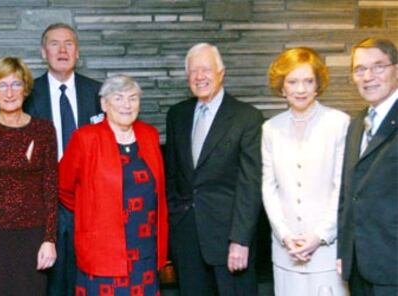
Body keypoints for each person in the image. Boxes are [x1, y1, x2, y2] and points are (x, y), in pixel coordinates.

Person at [165, 43, 263, 295]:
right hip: (187, 241)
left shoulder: (247, 117)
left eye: (206, 69)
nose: (200, 77)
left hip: (229, 241)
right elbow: (173, 176)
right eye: (193, 71)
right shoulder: (177, 115)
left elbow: (250, 185)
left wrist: (240, 240)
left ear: (221, 73)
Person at [59, 75, 168, 295]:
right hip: (101, 249)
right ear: (104, 104)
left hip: (145, 247)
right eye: (118, 98)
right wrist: (89, 213)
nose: (126, 105)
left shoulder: (149, 135)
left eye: (133, 98)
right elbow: (64, 187)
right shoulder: (85, 138)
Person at [262, 47, 350, 296]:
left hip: (326, 253)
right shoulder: (271, 128)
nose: (300, 89)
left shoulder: (338, 123)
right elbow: (269, 188)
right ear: (282, 87)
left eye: (308, 81)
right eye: (293, 82)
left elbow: (341, 188)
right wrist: (285, 235)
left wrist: (319, 236)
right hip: (286, 253)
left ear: (317, 84)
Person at [23, 23, 102, 296]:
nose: (62, 49)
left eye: (69, 43)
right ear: (44, 52)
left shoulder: (98, 93)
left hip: (89, 201)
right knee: (51, 281)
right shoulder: (26, 95)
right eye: (55, 44)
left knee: (88, 276)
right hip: (45, 202)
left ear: (77, 52)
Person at [0, 57, 57, 295]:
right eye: (1, 85)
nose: (9, 92)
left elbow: (50, 186)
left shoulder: (43, 130)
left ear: (25, 89)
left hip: (33, 235)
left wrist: (50, 239)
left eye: (15, 84)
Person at [337, 37, 398, 296]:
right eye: (359, 69)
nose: (368, 76)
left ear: (396, 69)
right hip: (360, 266)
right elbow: (349, 195)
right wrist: (344, 252)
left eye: (378, 67)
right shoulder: (356, 123)